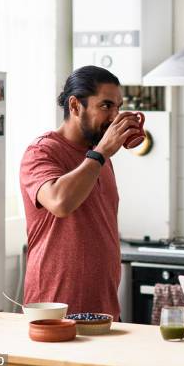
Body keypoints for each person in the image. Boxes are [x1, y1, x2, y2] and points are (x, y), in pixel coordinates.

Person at [19, 66, 141, 320]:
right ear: (75, 106)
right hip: (54, 308)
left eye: (118, 107)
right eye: (106, 106)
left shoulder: (101, 157)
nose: (114, 117)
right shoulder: (42, 152)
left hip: (104, 307)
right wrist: (100, 154)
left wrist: (101, 154)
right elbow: (60, 202)